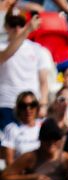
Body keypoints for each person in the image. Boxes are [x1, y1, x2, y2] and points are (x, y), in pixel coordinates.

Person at [0, 3, 56, 132]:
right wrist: (27, 31)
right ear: (6, 26)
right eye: (13, 24)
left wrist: (43, 105)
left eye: (21, 23)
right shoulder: (1, 46)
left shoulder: (38, 50)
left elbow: (43, 81)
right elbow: (6, 55)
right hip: (6, 104)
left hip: (31, 106)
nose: (17, 28)